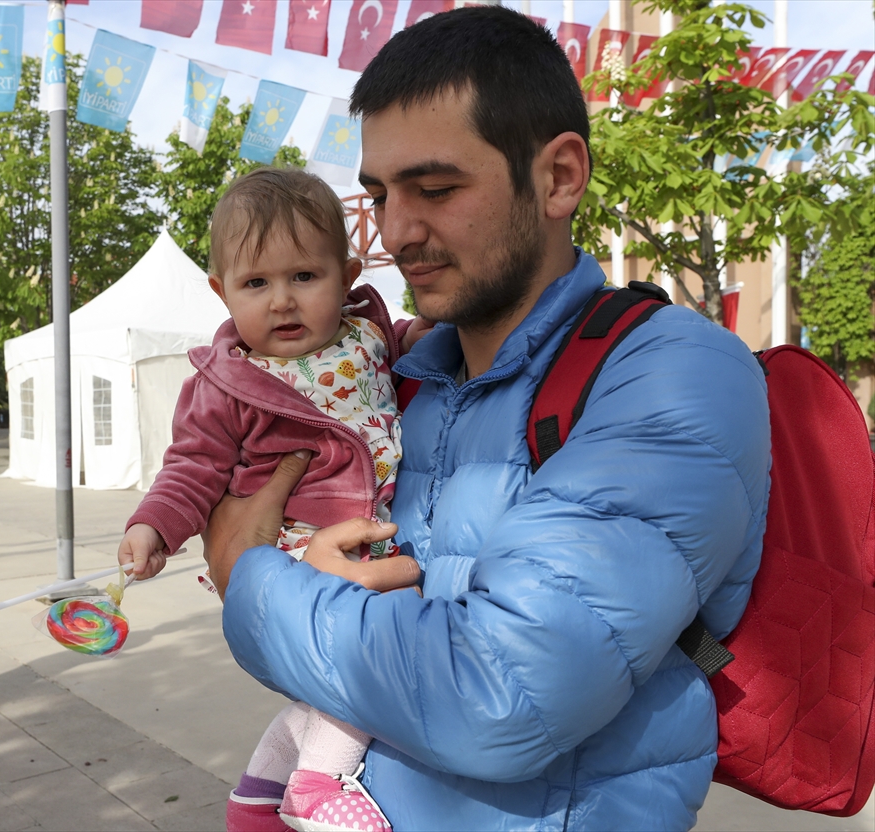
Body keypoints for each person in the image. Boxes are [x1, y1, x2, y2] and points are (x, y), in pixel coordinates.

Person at [203, 8, 771, 832]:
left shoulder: (675, 372)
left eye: (435, 189)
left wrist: (253, 581)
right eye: (379, 195)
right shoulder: (408, 381)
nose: (395, 233)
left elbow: (501, 697)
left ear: (559, 177)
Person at [118, 168, 429, 832]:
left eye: (304, 277)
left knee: (341, 682)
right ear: (220, 291)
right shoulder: (229, 381)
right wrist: (153, 527)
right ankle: (318, 784)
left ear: (346, 276)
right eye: (256, 283)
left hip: (367, 533)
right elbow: (192, 467)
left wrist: (430, 333)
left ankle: (262, 788)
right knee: (376, 656)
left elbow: (409, 354)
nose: (282, 301)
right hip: (295, 547)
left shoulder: (371, 337)